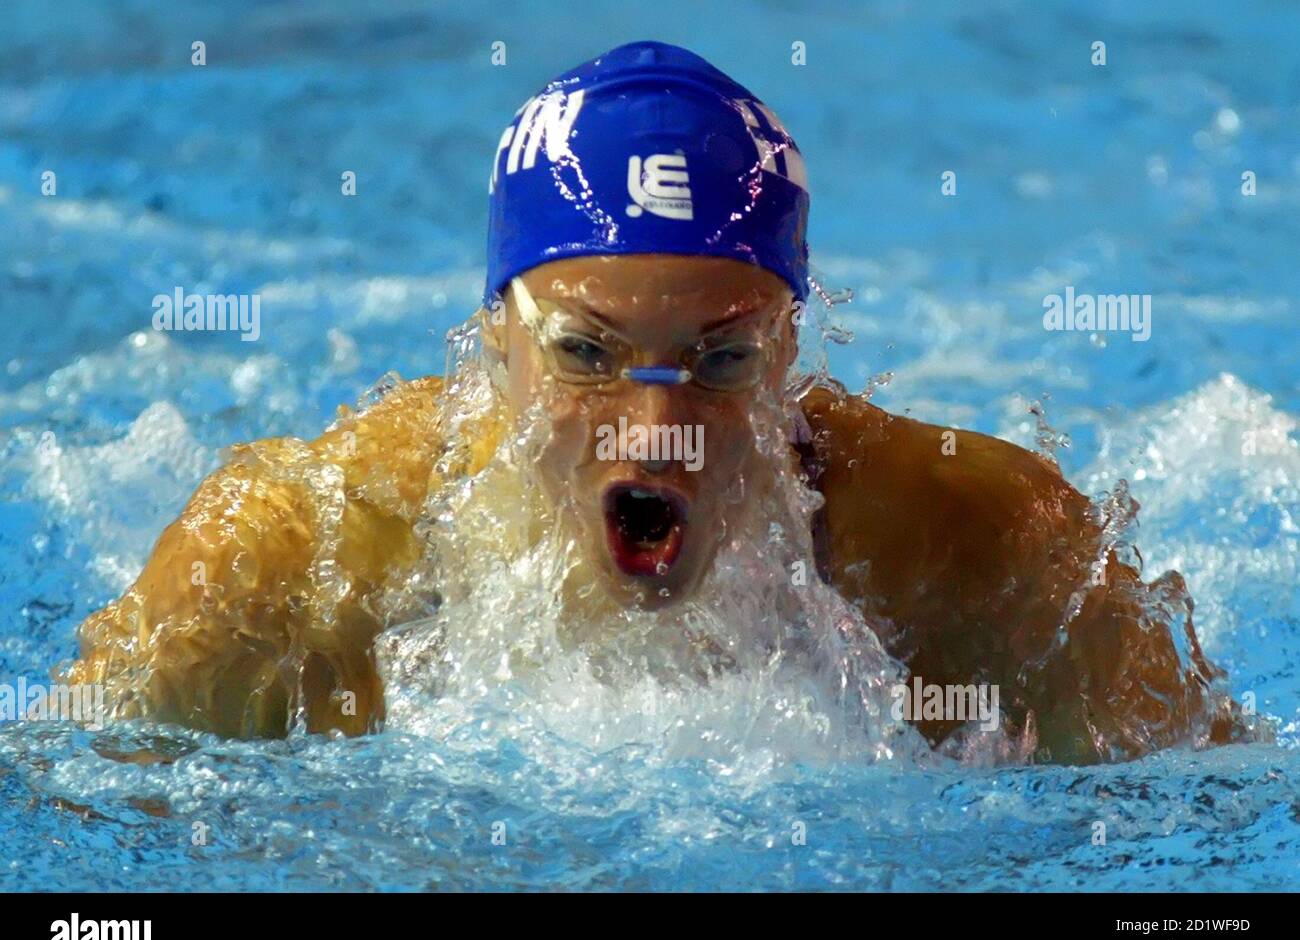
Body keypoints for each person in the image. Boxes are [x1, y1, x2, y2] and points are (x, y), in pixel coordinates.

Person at [65, 41, 1237, 764]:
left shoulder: (990, 555)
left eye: (721, 362)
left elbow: (1219, 814)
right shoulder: (292, 559)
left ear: (790, 349)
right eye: (586, 352)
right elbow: (71, 814)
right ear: (493, 341)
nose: (655, 429)